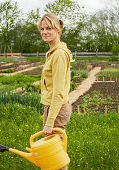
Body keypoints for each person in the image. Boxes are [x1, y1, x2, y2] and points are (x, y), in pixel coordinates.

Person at [38, 13, 72, 144]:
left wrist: (50, 122)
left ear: (58, 30)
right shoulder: (53, 52)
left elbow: (58, 92)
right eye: (42, 29)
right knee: (53, 152)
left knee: (55, 155)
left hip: (56, 108)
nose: (44, 32)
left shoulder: (59, 55)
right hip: (53, 107)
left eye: (49, 28)